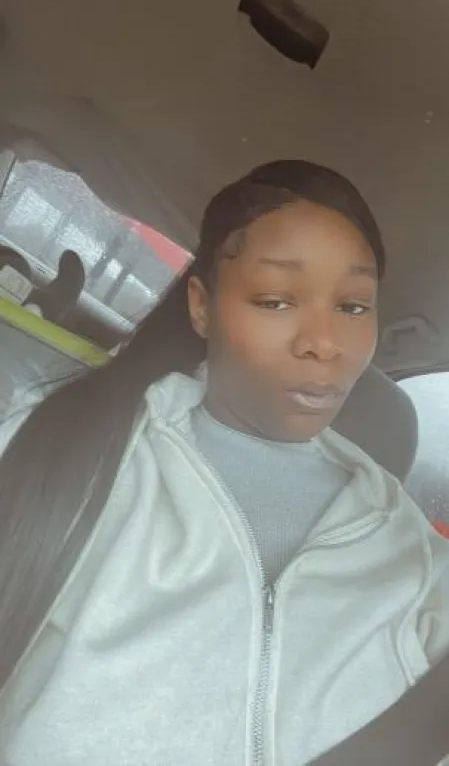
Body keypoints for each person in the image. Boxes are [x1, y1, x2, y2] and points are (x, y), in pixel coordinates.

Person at [1, 160, 449, 766]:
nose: (324, 343)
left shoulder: (414, 562)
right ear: (202, 307)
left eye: (352, 306)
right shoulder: (68, 453)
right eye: (275, 300)